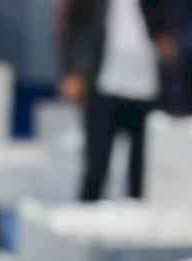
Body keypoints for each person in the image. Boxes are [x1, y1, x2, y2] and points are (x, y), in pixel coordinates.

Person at [59, 0, 162, 202]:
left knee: (142, 177)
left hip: (150, 86)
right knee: (95, 170)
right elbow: (75, 25)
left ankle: (137, 231)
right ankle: (84, 227)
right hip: (103, 84)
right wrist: (72, 71)